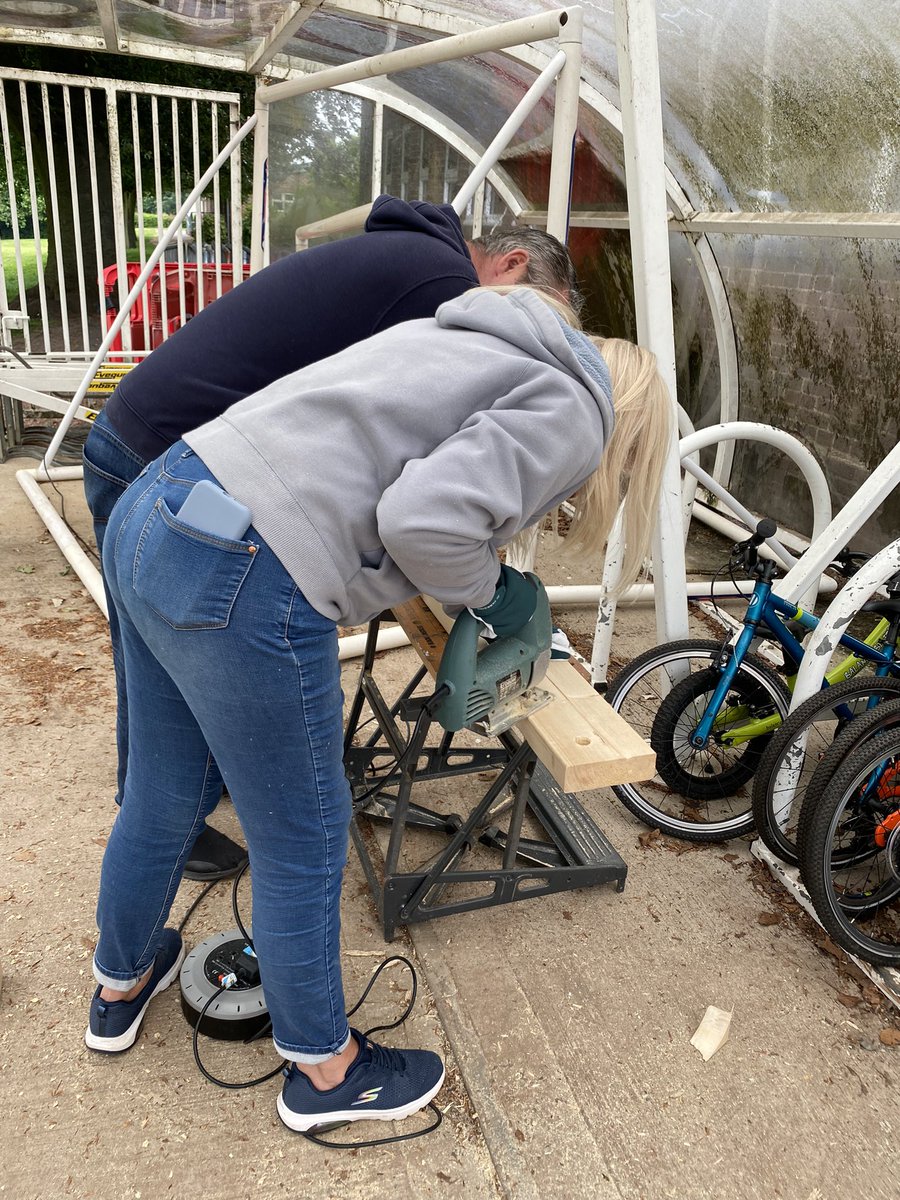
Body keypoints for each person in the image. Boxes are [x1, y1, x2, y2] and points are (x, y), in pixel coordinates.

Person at [84, 283, 673, 1137]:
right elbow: (423, 520)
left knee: (163, 792)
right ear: (634, 433)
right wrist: (494, 590)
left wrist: (476, 578)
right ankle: (325, 1072)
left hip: (157, 503)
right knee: (304, 839)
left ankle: (118, 986)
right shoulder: (578, 412)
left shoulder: (478, 336)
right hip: (247, 567)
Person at [82, 195, 582, 880]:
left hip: (163, 441)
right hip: (168, 455)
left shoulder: (416, 262)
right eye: (546, 312)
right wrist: (471, 571)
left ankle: (184, 798)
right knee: (168, 661)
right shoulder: (448, 291)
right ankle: (172, 820)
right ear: (512, 267)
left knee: (169, 651)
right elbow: (411, 457)